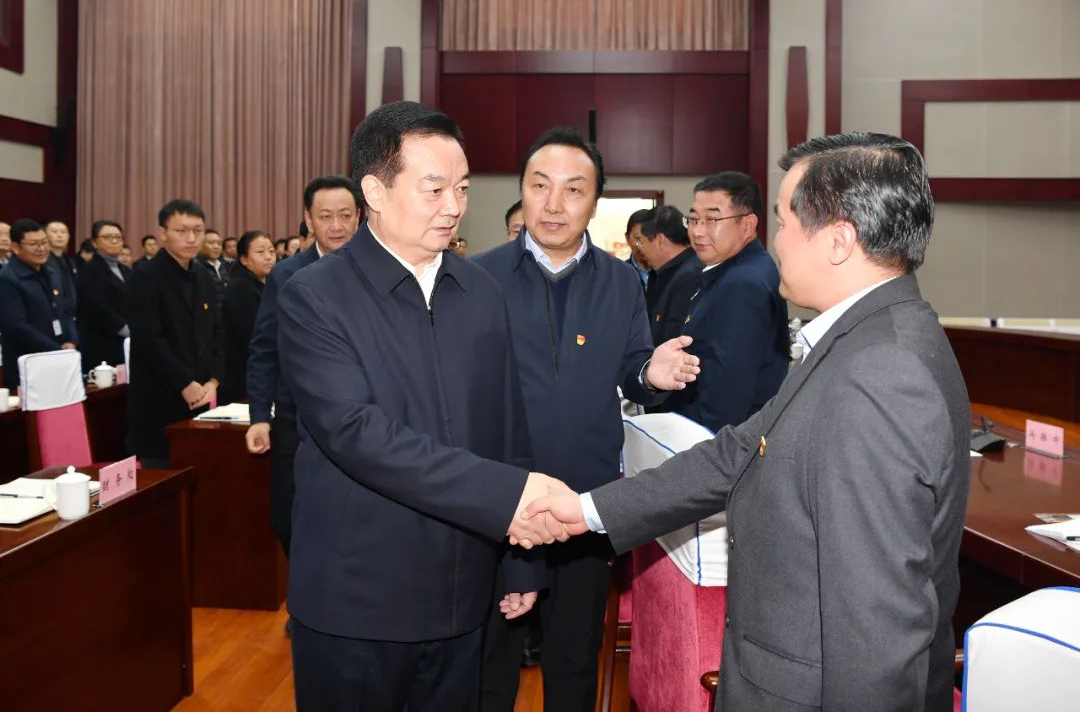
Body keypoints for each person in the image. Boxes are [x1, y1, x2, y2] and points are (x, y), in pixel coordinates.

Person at [525, 132, 972, 712]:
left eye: (784, 223)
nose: (775, 242)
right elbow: (737, 451)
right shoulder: (864, 340)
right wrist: (587, 510)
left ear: (839, 240)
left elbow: (876, 636)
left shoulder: (881, 371)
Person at [276, 101, 572, 711]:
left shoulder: (479, 291)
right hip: (357, 601)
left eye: (462, 189)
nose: (454, 206)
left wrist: (521, 562)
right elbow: (359, 435)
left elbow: (508, 426)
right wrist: (509, 498)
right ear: (374, 192)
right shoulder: (315, 295)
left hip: (462, 594)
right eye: (434, 188)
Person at [473, 127, 700, 712]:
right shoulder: (478, 278)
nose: (554, 204)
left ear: (595, 202)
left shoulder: (621, 279)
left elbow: (630, 366)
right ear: (521, 191)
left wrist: (650, 373)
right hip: (500, 502)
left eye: (573, 190)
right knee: (490, 663)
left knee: (574, 660)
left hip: (586, 504)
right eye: (540, 186)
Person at [246, 174, 362, 556]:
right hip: (294, 417)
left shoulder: (375, 271)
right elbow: (264, 348)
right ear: (309, 220)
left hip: (362, 415)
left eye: (345, 215)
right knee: (286, 517)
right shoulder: (286, 274)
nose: (336, 225)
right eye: (325, 216)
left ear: (359, 216)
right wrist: (259, 415)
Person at [653, 172, 789, 431]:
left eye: (712, 219)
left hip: (715, 440)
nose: (698, 231)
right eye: (694, 219)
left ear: (747, 225)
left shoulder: (742, 284)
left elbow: (727, 397)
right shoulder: (738, 269)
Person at [127, 199, 224, 468]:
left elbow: (217, 331)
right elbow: (149, 339)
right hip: (160, 395)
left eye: (197, 230)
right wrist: (184, 382)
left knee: (200, 470)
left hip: (201, 394)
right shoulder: (144, 276)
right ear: (163, 233)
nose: (191, 238)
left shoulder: (204, 276)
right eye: (181, 231)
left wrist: (214, 379)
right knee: (163, 472)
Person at [0, 219, 78, 388]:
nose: (42, 248)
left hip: (59, 358)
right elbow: (16, 326)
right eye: (34, 244)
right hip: (29, 363)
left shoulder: (51, 272)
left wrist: (71, 340)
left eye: (44, 242)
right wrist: (57, 350)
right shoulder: (7, 278)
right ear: (15, 247)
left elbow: (65, 310)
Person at [219, 231, 275, 404]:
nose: (268, 257)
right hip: (243, 377)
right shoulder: (241, 289)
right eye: (260, 252)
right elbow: (250, 338)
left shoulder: (266, 284)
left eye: (271, 251)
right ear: (244, 259)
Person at [638, 205, 702, 346]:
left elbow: (677, 339)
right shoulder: (663, 273)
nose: (640, 250)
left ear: (660, 240)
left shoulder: (689, 277)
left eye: (641, 242)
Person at [75, 220, 131, 373]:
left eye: (118, 237)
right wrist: (127, 329)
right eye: (107, 237)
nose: (114, 241)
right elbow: (98, 307)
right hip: (102, 341)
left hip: (125, 341)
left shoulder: (125, 269)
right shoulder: (89, 271)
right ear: (94, 242)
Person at [45, 219, 79, 316]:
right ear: (45, 235)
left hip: (72, 312)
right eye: (54, 232)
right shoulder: (42, 260)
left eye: (63, 232)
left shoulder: (70, 261)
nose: (59, 235)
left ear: (68, 237)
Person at [624, 208, 653, 289]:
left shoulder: (664, 271)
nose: (642, 244)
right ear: (627, 238)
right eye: (638, 238)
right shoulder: (620, 272)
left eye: (649, 237)